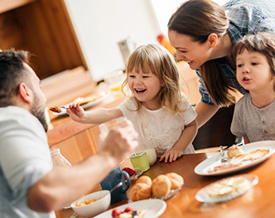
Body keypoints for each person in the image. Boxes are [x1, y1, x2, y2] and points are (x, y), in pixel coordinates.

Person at [0, 50, 138, 218]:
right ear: (25, 92)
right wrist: (108, 156)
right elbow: (45, 193)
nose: (44, 98)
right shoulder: (11, 118)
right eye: (38, 86)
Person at [67, 44, 198, 163]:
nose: (137, 82)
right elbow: (108, 113)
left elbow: (192, 126)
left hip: (183, 162)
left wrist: (178, 149)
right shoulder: (133, 105)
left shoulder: (176, 100)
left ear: (163, 80)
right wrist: (84, 116)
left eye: (145, 77)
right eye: (132, 76)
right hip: (152, 169)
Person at [167, 0, 275, 128]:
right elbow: (210, 101)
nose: (178, 57)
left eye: (183, 50)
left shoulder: (261, 31)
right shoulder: (204, 58)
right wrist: (175, 133)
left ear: (212, 40)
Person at [230, 32, 275, 143]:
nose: (245, 69)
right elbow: (248, 146)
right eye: (240, 65)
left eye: (254, 63)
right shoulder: (241, 108)